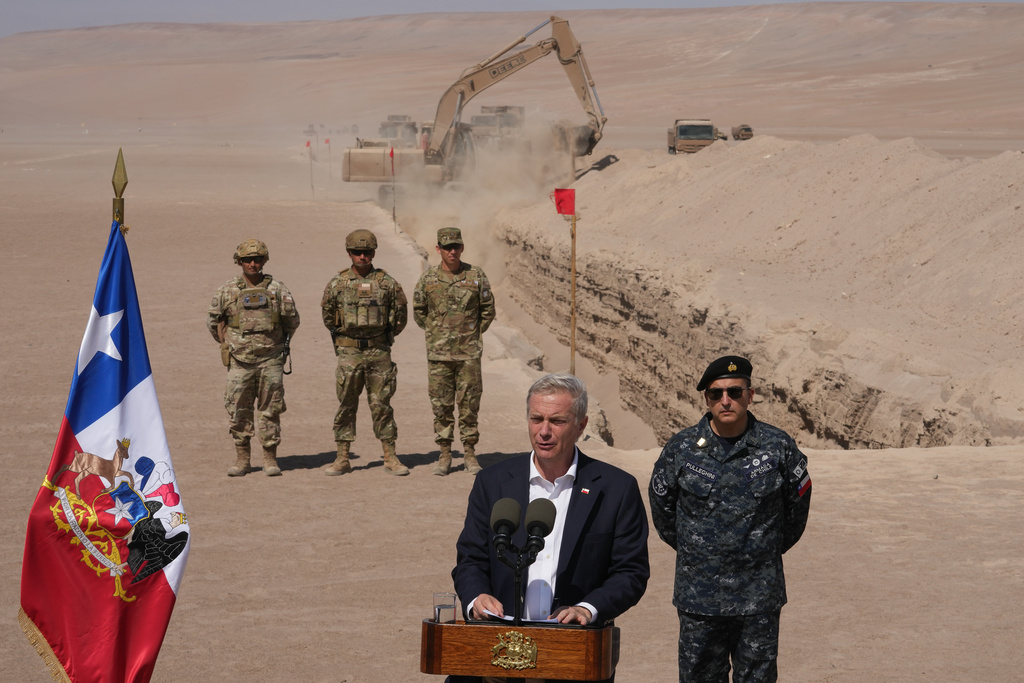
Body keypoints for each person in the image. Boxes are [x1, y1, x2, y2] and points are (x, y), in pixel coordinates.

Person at [450, 373, 650, 683]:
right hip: (495, 653)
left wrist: (588, 608)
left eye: (556, 421)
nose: (544, 431)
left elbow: (631, 572)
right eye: (536, 419)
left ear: (581, 425)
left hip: (570, 656)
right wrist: (476, 597)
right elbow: (471, 558)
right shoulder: (493, 482)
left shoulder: (616, 489)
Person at [648, 356, 812, 683]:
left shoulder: (777, 446)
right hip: (700, 597)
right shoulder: (681, 448)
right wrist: (697, 553)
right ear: (706, 399)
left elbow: (797, 507)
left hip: (758, 596)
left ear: (750, 396)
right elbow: (663, 509)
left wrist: (765, 551)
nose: (725, 401)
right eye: (715, 394)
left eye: (735, 392)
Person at [207, 239, 299, 477]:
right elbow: (214, 322)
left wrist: (276, 346)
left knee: (271, 410)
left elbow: (292, 321)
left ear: (264, 261)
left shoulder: (278, 289)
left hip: (270, 360)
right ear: (239, 262)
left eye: (257, 259)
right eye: (247, 259)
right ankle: (243, 460)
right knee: (238, 410)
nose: (253, 263)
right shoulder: (227, 291)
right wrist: (232, 345)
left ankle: (270, 459)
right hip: (240, 361)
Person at [320, 229, 409, 476]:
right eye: (358, 252)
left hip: (379, 352)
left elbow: (400, 317)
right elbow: (328, 316)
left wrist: (381, 339)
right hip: (349, 354)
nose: (362, 257)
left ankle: (390, 456)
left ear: (373, 253)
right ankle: (342, 457)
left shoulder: (387, 283)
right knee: (347, 404)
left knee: (382, 405)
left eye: (367, 252)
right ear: (349, 253)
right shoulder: (338, 283)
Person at [413, 227, 496, 476]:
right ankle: (445, 454)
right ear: (438, 249)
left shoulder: (475, 275)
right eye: (447, 247)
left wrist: (469, 334)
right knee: (441, 406)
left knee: (469, 404)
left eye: (456, 246)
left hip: (468, 354)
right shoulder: (428, 280)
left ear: (462, 248)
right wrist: (437, 333)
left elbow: (487, 310)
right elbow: (419, 312)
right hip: (439, 356)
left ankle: (469, 453)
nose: (452, 251)